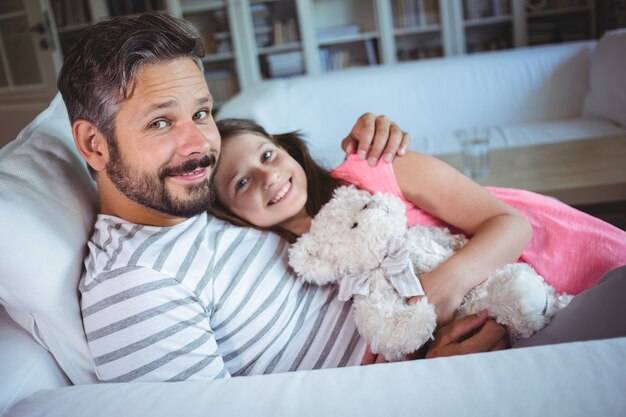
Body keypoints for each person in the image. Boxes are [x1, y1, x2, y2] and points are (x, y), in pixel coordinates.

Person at [57, 12, 506, 383]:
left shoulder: (195, 205)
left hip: (463, 313)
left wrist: (374, 150)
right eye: (160, 123)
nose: (200, 143)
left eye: (200, 113)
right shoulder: (135, 287)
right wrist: (428, 378)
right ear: (95, 145)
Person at [209, 118, 626, 326]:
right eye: (242, 181)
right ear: (231, 214)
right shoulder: (298, 261)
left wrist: (447, 282)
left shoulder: (373, 169)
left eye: (267, 155)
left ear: (285, 148)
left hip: (552, 258)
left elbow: (512, 225)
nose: (268, 177)